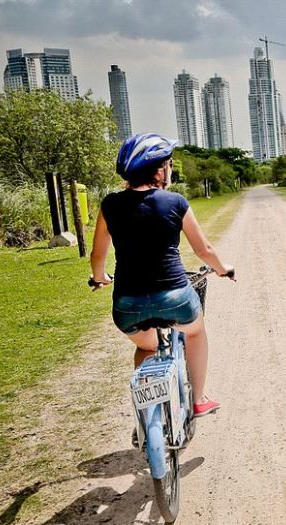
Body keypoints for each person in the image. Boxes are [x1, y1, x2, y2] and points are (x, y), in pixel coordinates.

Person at [89, 132, 234, 417]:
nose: (170, 168)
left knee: (146, 348)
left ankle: (147, 414)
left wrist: (99, 277)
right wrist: (223, 269)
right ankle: (199, 399)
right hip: (175, 298)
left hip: (128, 305)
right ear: (159, 170)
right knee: (195, 332)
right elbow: (204, 250)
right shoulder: (175, 202)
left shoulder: (109, 205)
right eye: (169, 163)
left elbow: (97, 256)